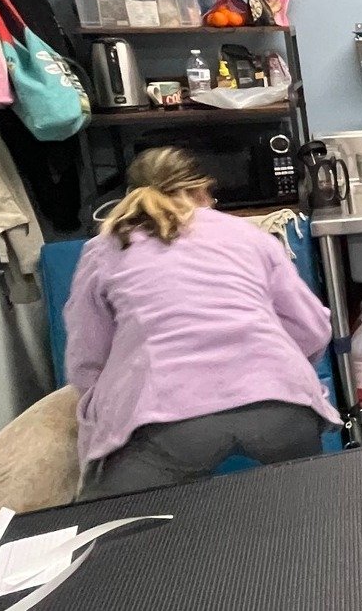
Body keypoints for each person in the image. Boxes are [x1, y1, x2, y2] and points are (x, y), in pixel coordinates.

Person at [64, 147, 339, 499]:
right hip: (281, 405)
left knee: (111, 525)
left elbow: (87, 357)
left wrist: (105, 403)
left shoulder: (105, 247)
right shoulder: (248, 234)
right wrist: (277, 370)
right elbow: (313, 328)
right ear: (200, 191)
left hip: (166, 416)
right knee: (307, 514)